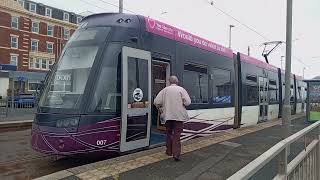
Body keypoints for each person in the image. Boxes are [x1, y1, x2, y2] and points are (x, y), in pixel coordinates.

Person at [154, 75, 191, 161]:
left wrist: (161, 107)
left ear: (169, 82)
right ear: (177, 82)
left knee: (169, 134)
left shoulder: (164, 90)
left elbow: (156, 102)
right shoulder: (181, 90)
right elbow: (188, 102)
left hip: (168, 117)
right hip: (178, 117)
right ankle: (176, 155)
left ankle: (169, 151)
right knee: (176, 136)